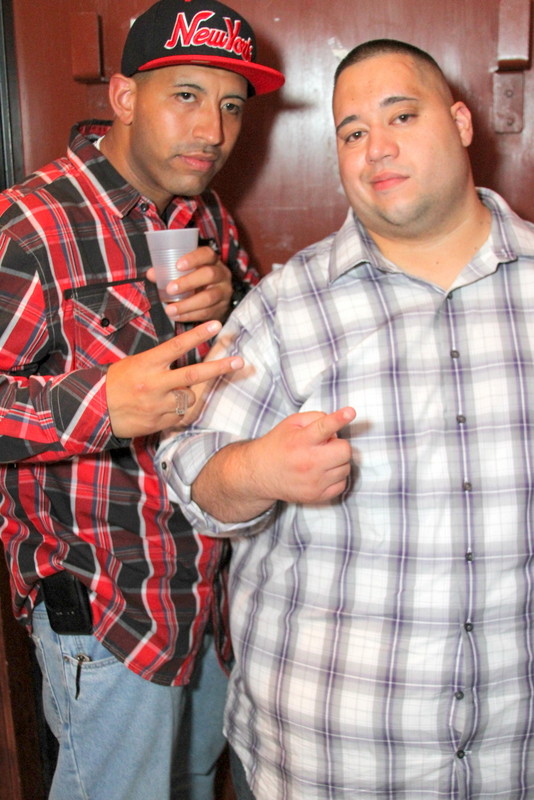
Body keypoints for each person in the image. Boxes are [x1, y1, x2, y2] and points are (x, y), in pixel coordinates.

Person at [158, 38, 534, 799]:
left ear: (462, 123)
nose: (376, 148)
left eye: (402, 116)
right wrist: (258, 469)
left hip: (515, 756)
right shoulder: (286, 306)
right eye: (352, 131)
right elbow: (189, 475)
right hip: (330, 763)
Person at [0, 1, 284, 799]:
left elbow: (250, 368)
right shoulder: (30, 225)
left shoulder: (207, 215)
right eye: (185, 96)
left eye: (231, 106)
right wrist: (99, 407)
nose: (213, 129)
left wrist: (235, 298)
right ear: (125, 97)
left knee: (190, 784)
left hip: (209, 598)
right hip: (107, 612)